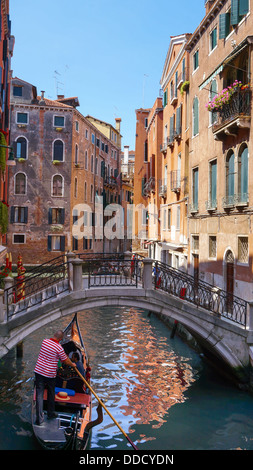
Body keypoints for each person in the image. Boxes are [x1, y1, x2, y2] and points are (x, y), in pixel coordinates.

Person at [34, 330, 77, 425]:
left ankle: (39, 419)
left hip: (39, 371)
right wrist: (73, 365)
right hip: (50, 374)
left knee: (39, 395)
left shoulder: (44, 341)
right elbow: (65, 361)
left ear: (54, 335)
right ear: (60, 339)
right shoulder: (59, 348)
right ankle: (50, 413)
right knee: (51, 393)